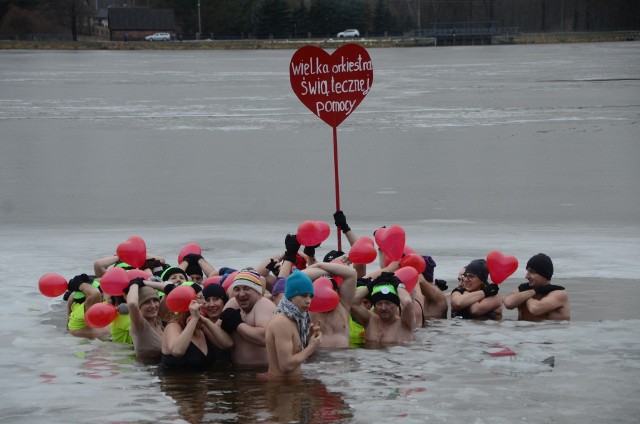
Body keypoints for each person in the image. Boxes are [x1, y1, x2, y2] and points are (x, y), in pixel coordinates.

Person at [265, 271, 322, 378]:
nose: (308, 301)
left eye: (310, 296)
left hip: (293, 387)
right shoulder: (282, 322)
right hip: (282, 389)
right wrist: (311, 347)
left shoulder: (296, 319)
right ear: (291, 296)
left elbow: (297, 355)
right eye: (304, 296)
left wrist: (310, 336)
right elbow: (286, 366)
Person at [161, 289, 233, 370]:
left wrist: (206, 321)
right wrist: (194, 319)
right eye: (200, 297)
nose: (204, 302)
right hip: (179, 381)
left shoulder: (202, 326)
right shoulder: (173, 326)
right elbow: (177, 351)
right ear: (189, 302)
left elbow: (228, 344)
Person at [219, 269, 276, 366]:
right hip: (236, 371)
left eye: (246, 288)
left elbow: (263, 338)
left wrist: (237, 325)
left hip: (262, 371)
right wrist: (203, 322)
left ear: (257, 291)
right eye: (237, 289)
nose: (241, 294)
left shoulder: (263, 304)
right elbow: (216, 331)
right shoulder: (233, 303)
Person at [350, 272, 415, 344]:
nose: (383, 308)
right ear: (374, 305)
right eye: (379, 303)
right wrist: (372, 284)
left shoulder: (405, 324)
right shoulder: (370, 320)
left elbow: (408, 303)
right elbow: (352, 302)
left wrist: (398, 285)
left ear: (396, 304)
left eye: (388, 303)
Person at [304, 260, 357, 348]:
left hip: (343, 356)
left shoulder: (343, 304)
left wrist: (320, 265)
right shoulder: (308, 307)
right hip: (318, 358)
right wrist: (324, 270)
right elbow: (298, 277)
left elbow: (352, 274)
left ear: (336, 291)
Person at [503, 253, 570, 321]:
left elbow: (535, 309)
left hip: (549, 330)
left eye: (532, 272)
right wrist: (533, 291)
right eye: (527, 271)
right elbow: (508, 303)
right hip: (522, 330)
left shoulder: (559, 294)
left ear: (544, 275)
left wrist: (531, 293)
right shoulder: (525, 289)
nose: (526, 276)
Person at [126, 279, 165, 364]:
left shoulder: (158, 319)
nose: (153, 305)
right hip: (145, 374)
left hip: (161, 372)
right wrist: (134, 284)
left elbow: (172, 291)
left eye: (155, 300)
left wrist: (145, 283)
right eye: (147, 302)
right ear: (139, 306)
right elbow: (132, 304)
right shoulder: (140, 326)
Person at [66, 274, 110, 339]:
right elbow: (96, 294)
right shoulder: (85, 308)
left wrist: (87, 280)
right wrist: (81, 284)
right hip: (88, 344)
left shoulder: (74, 303)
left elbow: (108, 282)